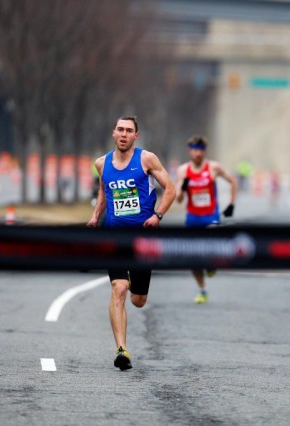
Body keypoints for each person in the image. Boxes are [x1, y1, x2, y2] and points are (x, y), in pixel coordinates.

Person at [87, 116, 176, 371]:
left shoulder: (147, 159)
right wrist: (95, 216)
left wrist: (157, 215)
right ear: (113, 133)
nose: (124, 134)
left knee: (138, 300)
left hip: (142, 239)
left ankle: (137, 285)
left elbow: (170, 188)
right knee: (119, 289)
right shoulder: (102, 163)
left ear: (136, 136)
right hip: (114, 238)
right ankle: (121, 350)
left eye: (129, 131)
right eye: (120, 130)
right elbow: (104, 191)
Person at [175, 135, 237, 304]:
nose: (197, 154)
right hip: (193, 219)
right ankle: (202, 290)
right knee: (194, 259)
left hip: (211, 217)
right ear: (189, 151)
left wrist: (231, 204)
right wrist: (183, 188)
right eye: (194, 150)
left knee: (212, 239)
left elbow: (232, 180)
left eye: (200, 150)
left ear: (204, 151)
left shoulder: (213, 168)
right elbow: (179, 199)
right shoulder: (183, 171)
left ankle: (211, 263)